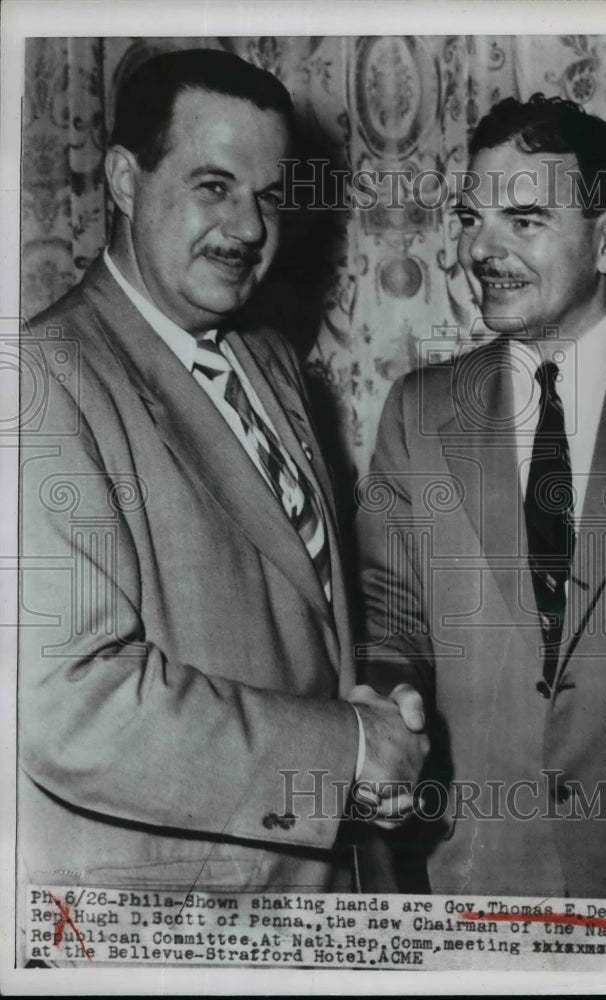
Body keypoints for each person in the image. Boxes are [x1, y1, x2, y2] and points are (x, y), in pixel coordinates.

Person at [18, 48, 428, 915]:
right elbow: (71, 706)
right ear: (127, 181)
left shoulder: (269, 358)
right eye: (213, 186)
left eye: (269, 195)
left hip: (323, 893)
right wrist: (348, 750)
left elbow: (306, 621)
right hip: (178, 918)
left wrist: (377, 715)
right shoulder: (43, 379)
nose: (248, 228)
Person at [356, 95, 606, 972]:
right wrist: (388, 696)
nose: (481, 248)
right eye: (473, 218)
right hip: (477, 893)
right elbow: (389, 611)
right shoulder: (417, 411)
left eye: (523, 218)